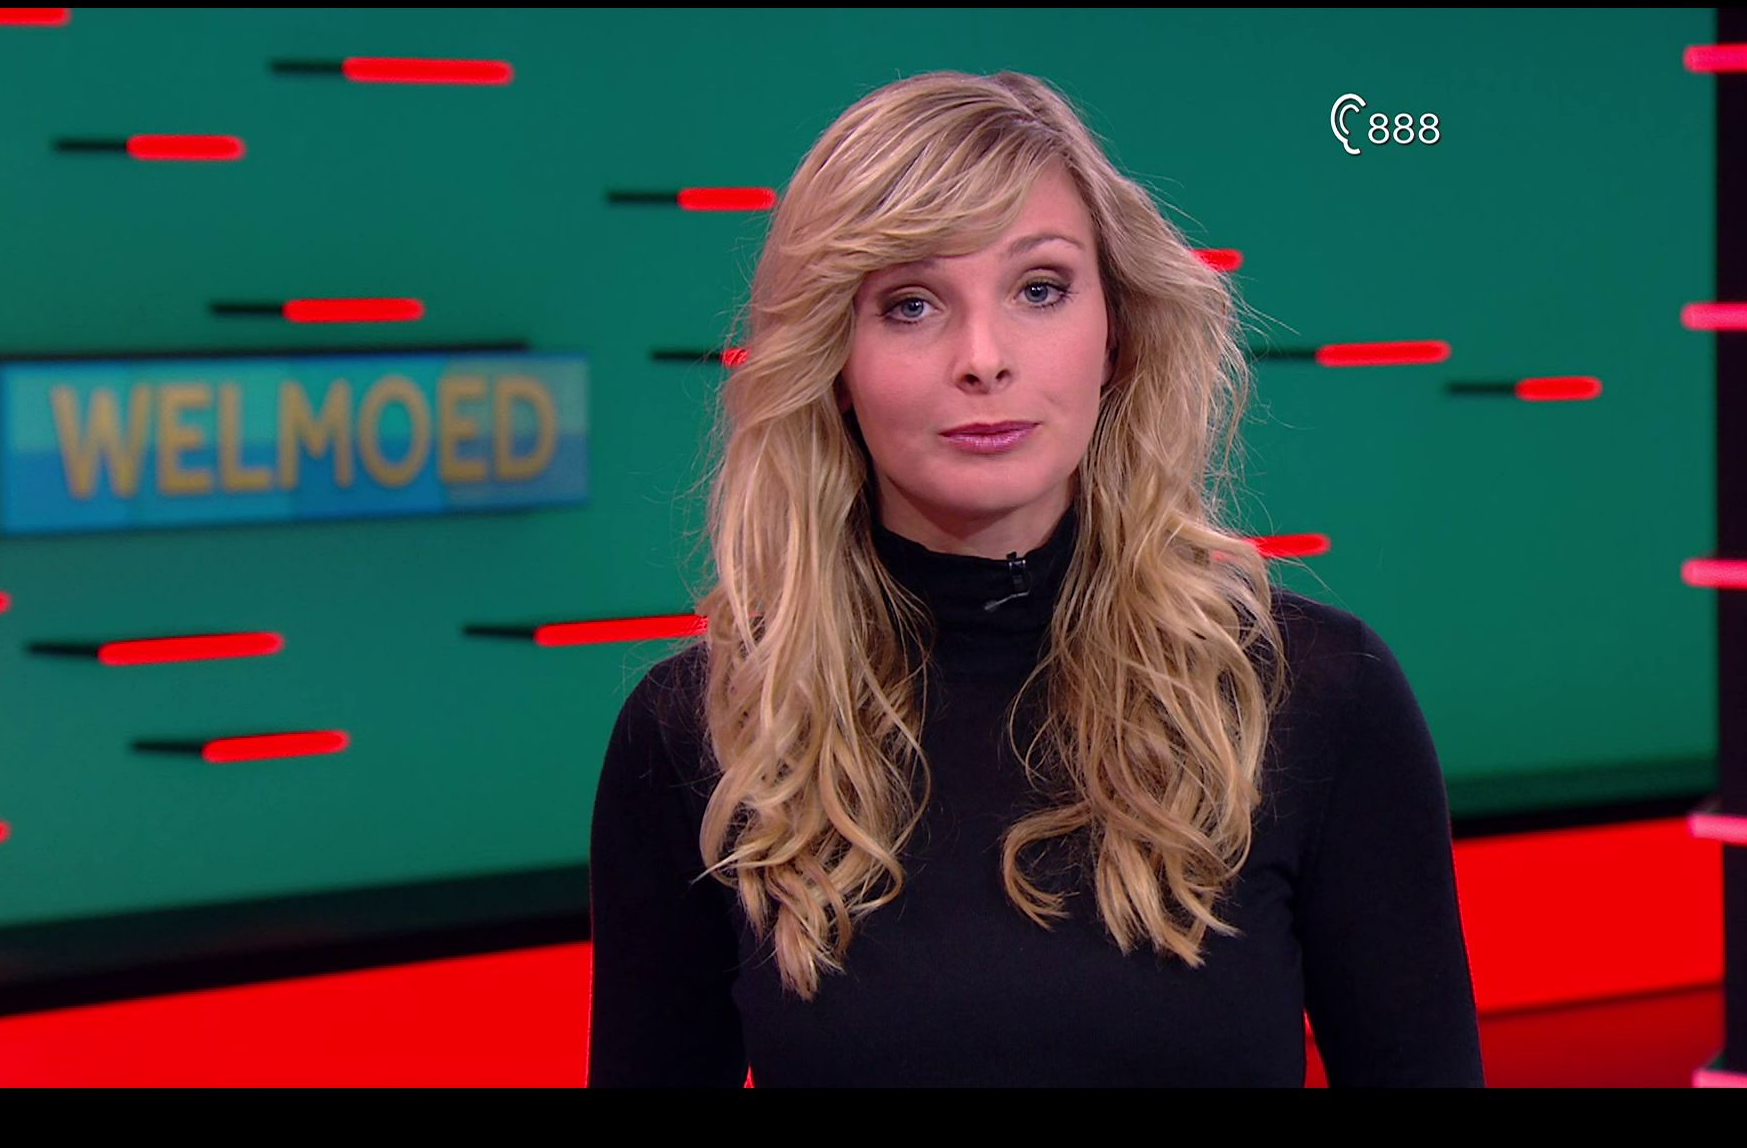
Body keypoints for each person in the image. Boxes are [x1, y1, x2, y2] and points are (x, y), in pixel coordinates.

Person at [587, 69, 1483, 1087]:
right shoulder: (704, 733)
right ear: (834, 362)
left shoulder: (1313, 694)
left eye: (1040, 289)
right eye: (911, 304)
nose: (983, 358)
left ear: (1116, 334)